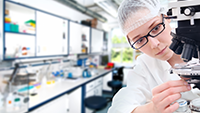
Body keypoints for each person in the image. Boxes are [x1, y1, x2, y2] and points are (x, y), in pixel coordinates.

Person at [108, 0, 200, 113]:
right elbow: (119, 108)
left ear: (167, 18)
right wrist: (152, 109)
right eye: (140, 40)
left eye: (156, 28)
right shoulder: (145, 66)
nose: (154, 44)